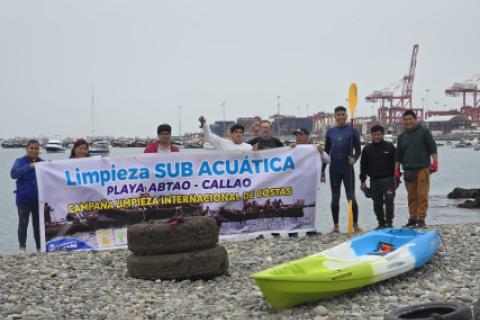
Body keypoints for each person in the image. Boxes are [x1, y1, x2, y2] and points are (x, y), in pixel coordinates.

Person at [322, 106, 362, 233]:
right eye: (338, 114)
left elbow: (358, 150)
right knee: (335, 197)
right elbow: (326, 152)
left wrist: (354, 159)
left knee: (351, 197)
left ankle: (355, 225)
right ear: (335, 116)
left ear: (346, 116)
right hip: (334, 168)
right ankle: (336, 226)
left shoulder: (353, 131)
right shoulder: (330, 132)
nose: (340, 116)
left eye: (343, 114)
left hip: (347, 168)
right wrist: (323, 170)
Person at [395, 110, 438, 228]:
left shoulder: (424, 131)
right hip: (408, 170)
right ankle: (413, 218)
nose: (408, 122)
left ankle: (421, 218)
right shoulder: (401, 136)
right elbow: (398, 155)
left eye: (410, 119)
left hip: (422, 168)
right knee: (411, 196)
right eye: (406, 120)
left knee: (422, 195)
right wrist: (396, 171)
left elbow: (432, 147)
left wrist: (435, 162)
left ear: (416, 119)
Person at [359, 125, 397, 229]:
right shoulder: (367, 149)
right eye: (374, 135)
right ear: (371, 135)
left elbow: (397, 162)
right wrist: (362, 181)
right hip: (374, 181)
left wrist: (397, 176)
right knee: (377, 203)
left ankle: (389, 223)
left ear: (382, 135)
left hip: (389, 180)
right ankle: (381, 223)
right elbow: (363, 166)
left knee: (389, 200)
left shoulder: (390, 146)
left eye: (379, 134)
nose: (376, 136)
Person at [10, 139, 43, 254]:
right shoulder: (20, 161)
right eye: (31, 148)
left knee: (38, 225)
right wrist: (30, 166)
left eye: (36, 148)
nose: (34, 150)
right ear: (27, 149)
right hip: (23, 199)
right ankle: (22, 247)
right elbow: (13, 174)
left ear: (39, 150)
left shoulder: (42, 163)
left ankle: (40, 248)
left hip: (39, 200)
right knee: (23, 223)